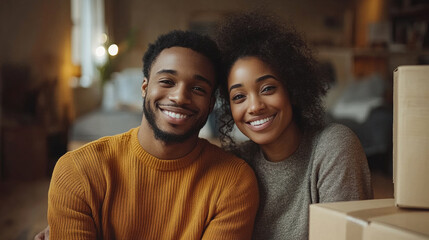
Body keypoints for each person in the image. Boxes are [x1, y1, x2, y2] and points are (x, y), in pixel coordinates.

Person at [36, 30, 259, 240]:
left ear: (211, 103)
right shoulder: (77, 171)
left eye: (198, 89)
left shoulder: (234, 181)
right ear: (144, 88)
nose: (180, 97)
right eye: (167, 81)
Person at [214, 11, 373, 240]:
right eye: (239, 97)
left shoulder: (333, 147)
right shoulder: (239, 163)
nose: (255, 106)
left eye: (267, 88)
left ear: (293, 91)